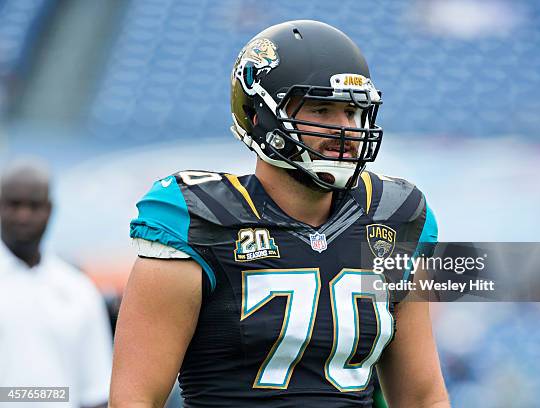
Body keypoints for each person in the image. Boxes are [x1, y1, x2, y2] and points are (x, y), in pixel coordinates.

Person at [111, 20, 449, 407]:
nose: (346, 131)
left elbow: (422, 397)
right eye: (323, 110)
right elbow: (134, 400)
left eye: (354, 113)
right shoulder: (198, 219)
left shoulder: (395, 216)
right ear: (260, 116)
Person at [0, 158, 113, 408]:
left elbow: (95, 392)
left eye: (34, 205)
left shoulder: (79, 289)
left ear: (50, 209)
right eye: (13, 204)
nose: (23, 216)